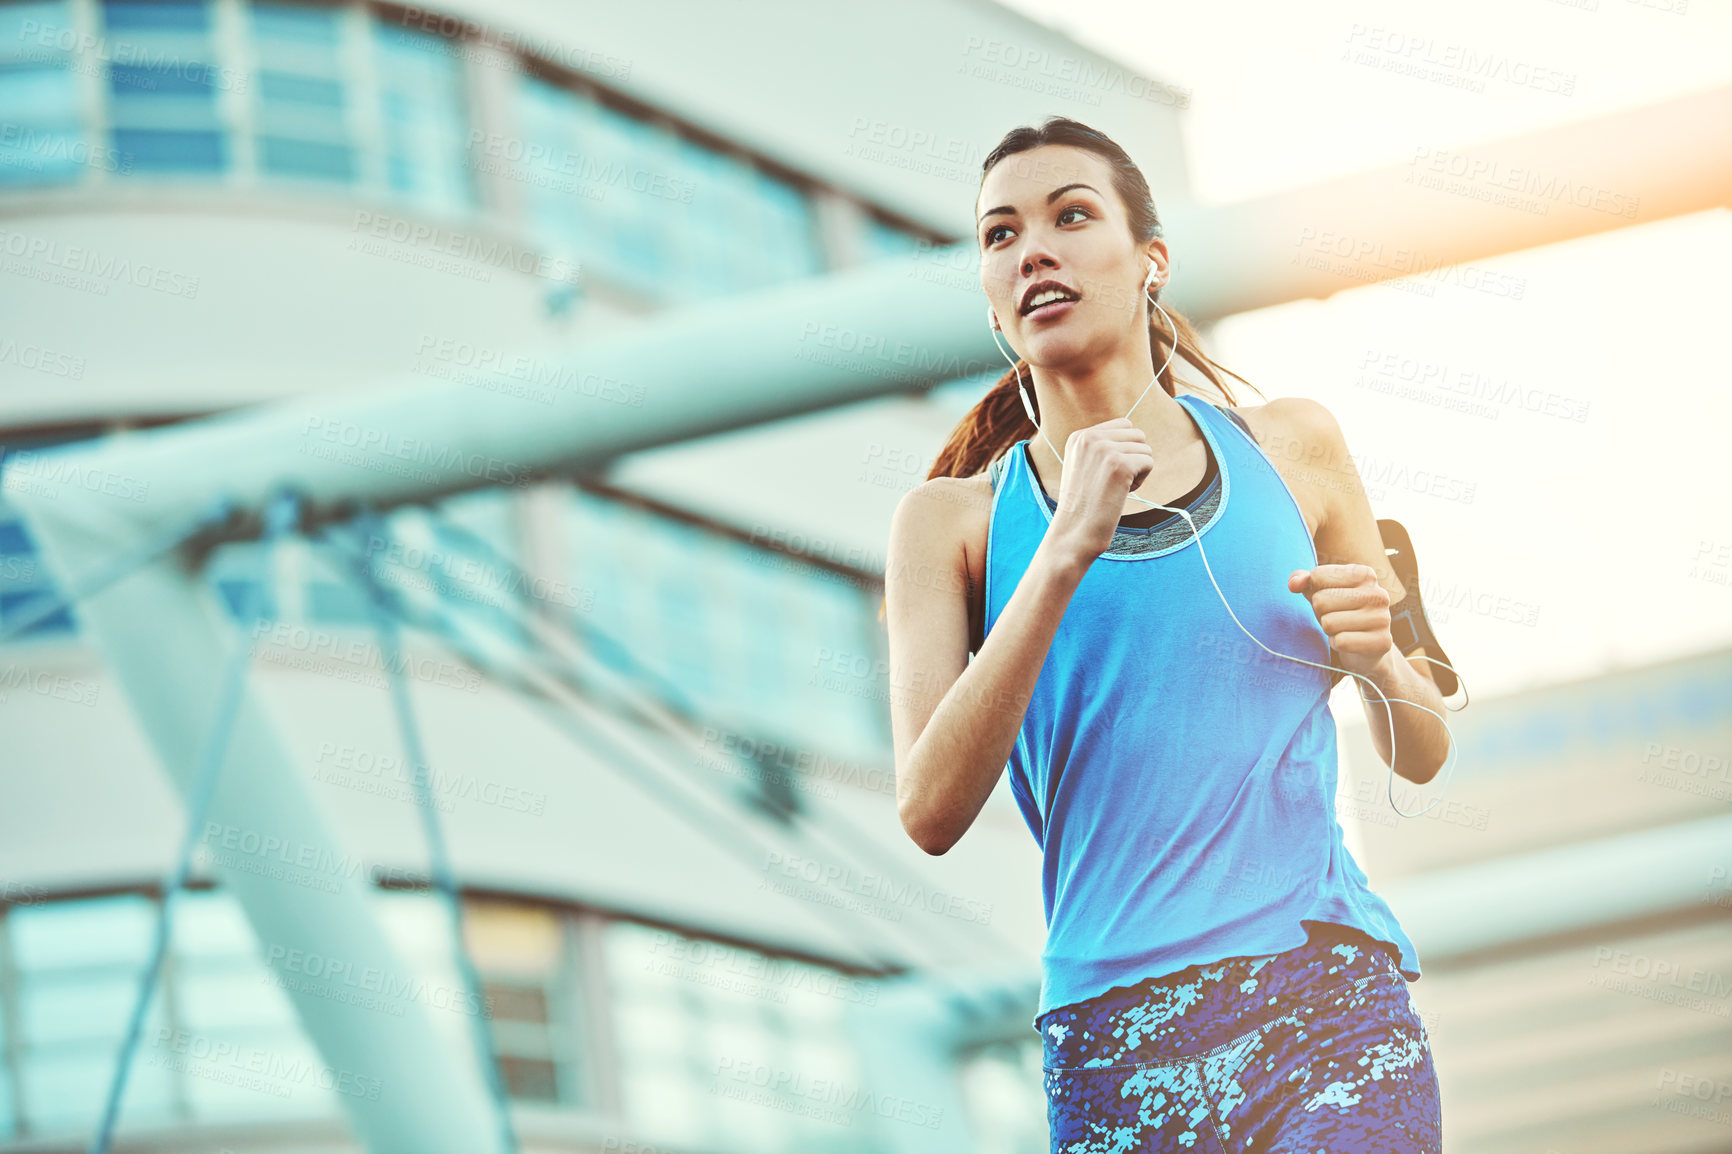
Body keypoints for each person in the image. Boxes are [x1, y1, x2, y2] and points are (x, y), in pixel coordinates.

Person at [883, 116, 1451, 1152]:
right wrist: (1060, 557)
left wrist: (1375, 659)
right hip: (1112, 1043)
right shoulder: (951, 524)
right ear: (990, 287)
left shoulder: (1295, 445)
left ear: (1150, 260)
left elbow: (1423, 743)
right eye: (999, 234)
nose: (1032, 250)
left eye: (1071, 215)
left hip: (1320, 994)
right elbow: (927, 808)